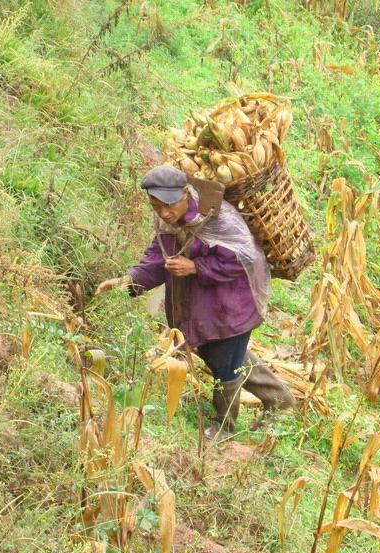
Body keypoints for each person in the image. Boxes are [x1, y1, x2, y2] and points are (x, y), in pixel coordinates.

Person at [96, 165, 295, 440]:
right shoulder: (169, 224)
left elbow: (244, 259)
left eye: (169, 204)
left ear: (185, 194)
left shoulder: (219, 218)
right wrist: (126, 281)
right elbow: (157, 260)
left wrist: (196, 267)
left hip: (231, 306)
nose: (164, 212)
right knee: (222, 356)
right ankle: (280, 398)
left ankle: (224, 426)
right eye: (156, 206)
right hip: (200, 306)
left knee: (225, 366)